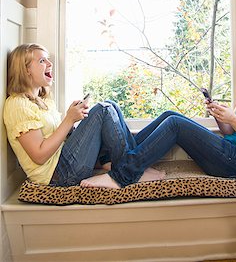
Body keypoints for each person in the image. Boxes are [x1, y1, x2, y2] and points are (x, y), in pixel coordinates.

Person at [80, 39, 236, 189]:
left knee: (175, 124)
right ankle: (129, 166)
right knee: (169, 115)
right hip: (229, 150)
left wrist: (233, 119)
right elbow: (229, 130)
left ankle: (121, 175)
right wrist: (219, 115)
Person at [3, 43, 164, 186]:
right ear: (26, 70)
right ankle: (129, 173)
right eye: (42, 61)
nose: (50, 63)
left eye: (47, 59)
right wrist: (68, 120)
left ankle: (119, 165)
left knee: (111, 104)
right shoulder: (18, 105)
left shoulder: (43, 100)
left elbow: (55, 138)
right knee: (103, 109)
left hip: (63, 160)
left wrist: (71, 122)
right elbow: (39, 156)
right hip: (58, 176)